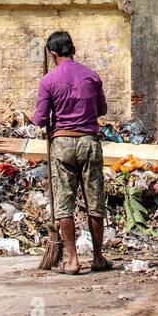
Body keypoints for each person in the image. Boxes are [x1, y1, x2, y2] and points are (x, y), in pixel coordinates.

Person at [34, 30, 111, 274]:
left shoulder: (48, 80)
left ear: (53, 54)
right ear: (73, 49)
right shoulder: (91, 76)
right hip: (89, 142)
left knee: (64, 201)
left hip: (62, 143)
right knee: (95, 201)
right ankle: (98, 258)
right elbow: (101, 109)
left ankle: (73, 260)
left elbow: (39, 119)